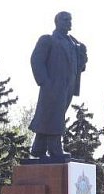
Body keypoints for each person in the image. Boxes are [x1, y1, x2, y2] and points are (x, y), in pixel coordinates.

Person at [28, 11, 87, 160]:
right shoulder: (49, 40)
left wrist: (83, 56)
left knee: (52, 114)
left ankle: (38, 148)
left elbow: (78, 66)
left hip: (68, 86)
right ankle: (55, 149)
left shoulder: (74, 43)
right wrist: (45, 82)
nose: (69, 22)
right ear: (58, 22)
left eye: (70, 20)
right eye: (66, 19)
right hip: (53, 84)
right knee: (54, 116)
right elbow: (36, 60)